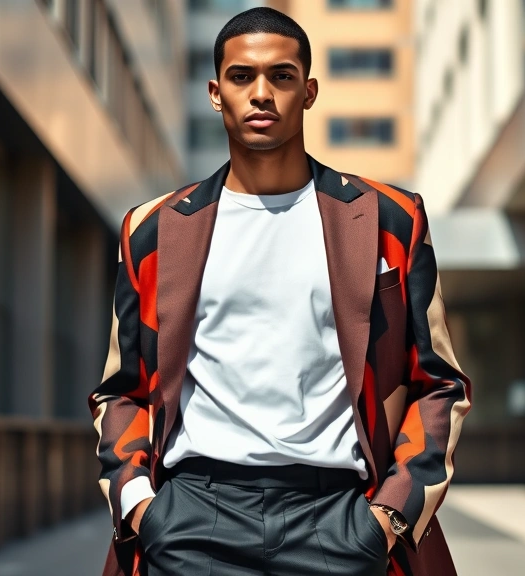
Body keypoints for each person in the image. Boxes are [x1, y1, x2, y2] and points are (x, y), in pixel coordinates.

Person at [89, 7, 471, 576]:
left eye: (282, 77)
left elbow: (440, 383)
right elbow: (120, 390)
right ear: (216, 93)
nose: (261, 93)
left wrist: (389, 517)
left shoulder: (391, 218)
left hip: (341, 516)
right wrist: (142, 506)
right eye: (242, 77)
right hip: (193, 516)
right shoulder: (154, 229)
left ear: (309, 91)